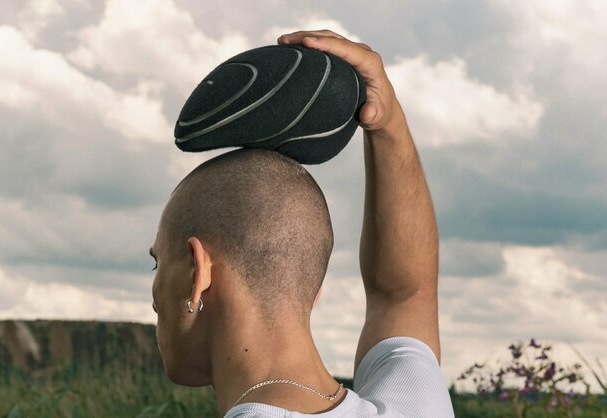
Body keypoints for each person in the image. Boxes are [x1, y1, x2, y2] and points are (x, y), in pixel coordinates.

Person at [149, 29, 455, 417]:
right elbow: (404, 293)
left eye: (157, 262)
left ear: (198, 272)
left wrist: (387, 124)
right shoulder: (416, 407)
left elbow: (405, 293)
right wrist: (387, 120)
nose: (154, 295)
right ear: (310, 288)